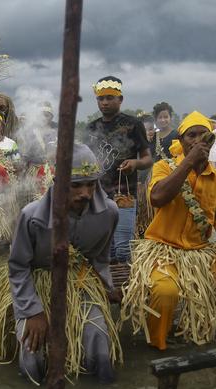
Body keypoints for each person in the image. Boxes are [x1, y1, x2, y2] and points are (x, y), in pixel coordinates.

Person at [0, 144, 123, 384]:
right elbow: (17, 268)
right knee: (32, 348)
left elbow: (100, 258)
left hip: (81, 281)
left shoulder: (109, 212)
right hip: (38, 283)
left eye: (91, 184)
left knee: (98, 336)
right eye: (76, 185)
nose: (85, 193)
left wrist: (106, 288)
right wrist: (32, 312)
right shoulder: (32, 216)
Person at [121, 111, 216, 350]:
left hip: (200, 251)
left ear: (211, 141)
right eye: (190, 136)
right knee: (165, 292)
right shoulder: (164, 167)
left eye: (202, 136)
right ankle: (158, 346)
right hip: (162, 249)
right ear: (182, 141)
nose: (197, 140)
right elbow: (157, 197)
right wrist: (188, 162)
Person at [84, 76, 152, 263]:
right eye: (100, 98)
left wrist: (135, 163)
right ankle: (109, 289)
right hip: (98, 195)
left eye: (109, 98)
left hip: (125, 194)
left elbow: (148, 159)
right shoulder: (91, 128)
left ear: (120, 99)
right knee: (106, 248)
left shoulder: (133, 125)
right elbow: (85, 161)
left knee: (122, 248)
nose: (104, 102)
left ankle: (127, 287)